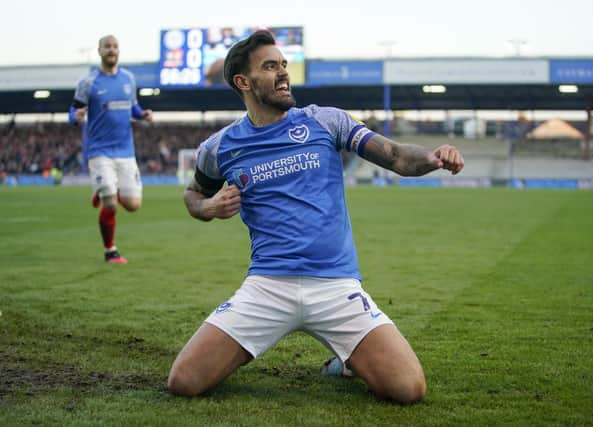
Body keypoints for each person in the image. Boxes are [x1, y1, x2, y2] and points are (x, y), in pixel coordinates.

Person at [167, 30, 464, 404]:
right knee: (184, 381)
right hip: (267, 286)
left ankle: (347, 362)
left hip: (336, 287)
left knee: (408, 389)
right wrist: (209, 208)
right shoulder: (219, 147)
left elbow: (395, 155)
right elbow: (193, 194)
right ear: (243, 82)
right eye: (270, 66)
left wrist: (432, 157)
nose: (283, 73)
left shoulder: (326, 121)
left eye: (283, 65)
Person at [69, 35, 153, 264]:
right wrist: (75, 117)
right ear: (99, 51)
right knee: (110, 204)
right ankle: (111, 251)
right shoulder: (88, 82)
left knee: (133, 205)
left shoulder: (128, 79)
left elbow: (133, 106)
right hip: (99, 151)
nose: (111, 50)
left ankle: (105, 188)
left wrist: (142, 114)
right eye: (107, 46)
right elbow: (73, 110)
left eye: (115, 46)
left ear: (119, 50)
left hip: (126, 151)